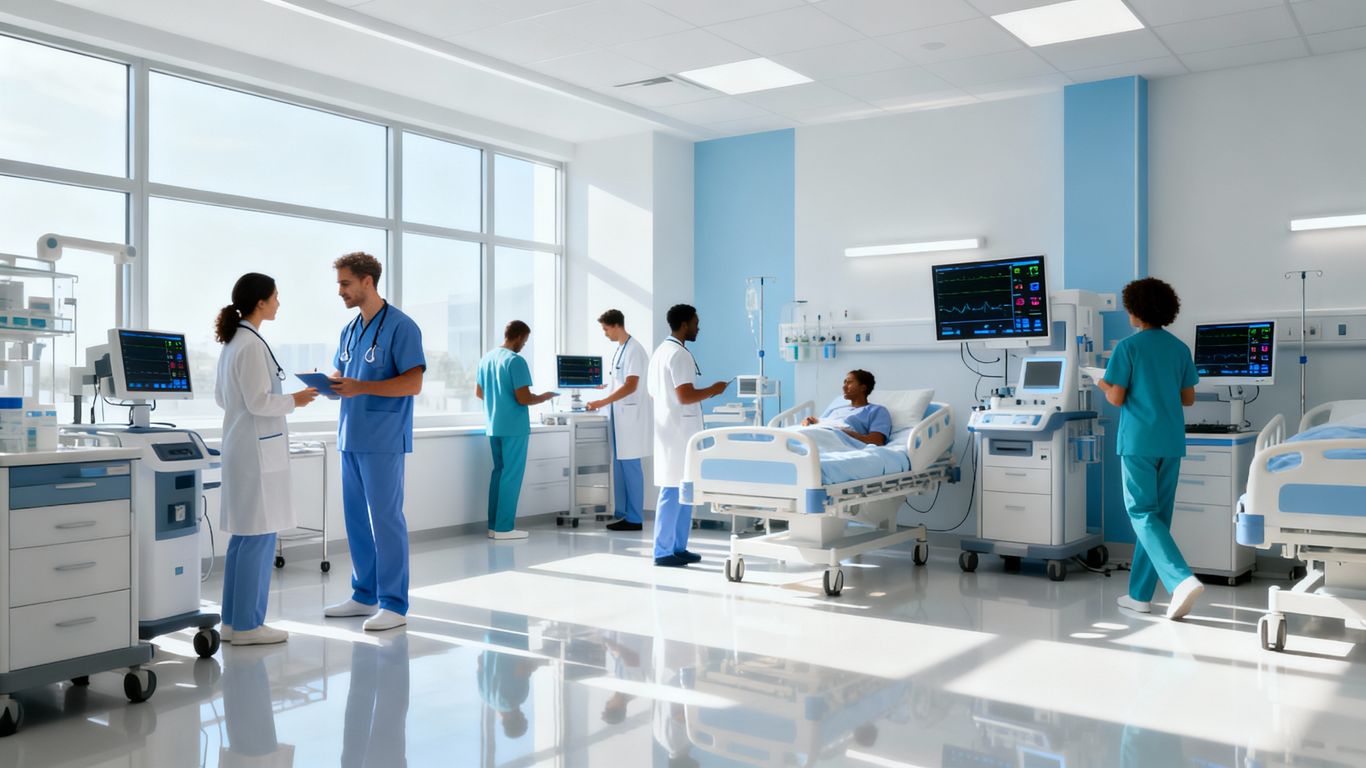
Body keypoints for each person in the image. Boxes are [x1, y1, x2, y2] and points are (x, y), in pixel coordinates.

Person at [323, 252, 426, 632]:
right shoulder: (349, 330)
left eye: (345, 283)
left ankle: (395, 604)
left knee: (386, 520)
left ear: (367, 281)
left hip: (383, 438)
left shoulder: (402, 326)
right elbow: (344, 373)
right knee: (355, 520)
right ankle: (363, 595)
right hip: (350, 436)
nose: (340, 291)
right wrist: (328, 384)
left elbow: (412, 383)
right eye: (339, 284)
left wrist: (361, 386)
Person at [214, 273, 317, 646]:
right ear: (261, 302)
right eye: (276, 297)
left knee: (244, 537)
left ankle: (231, 623)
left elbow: (224, 399)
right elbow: (259, 401)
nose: (278, 303)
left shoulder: (234, 343)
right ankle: (248, 626)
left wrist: (279, 401)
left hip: (243, 447)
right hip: (256, 453)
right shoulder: (251, 345)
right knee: (259, 536)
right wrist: (296, 400)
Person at [1095, 277, 1203, 620]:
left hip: (1139, 441)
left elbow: (1116, 397)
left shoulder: (1128, 348)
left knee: (1141, 514)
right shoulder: (1179, 348)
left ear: (1136, 311)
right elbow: (1188, 398)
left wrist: (1098, 379)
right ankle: (1139, 595)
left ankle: (1181, 580)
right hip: (1170, 442)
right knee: (1156, 519)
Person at [648, 304, 728, 567]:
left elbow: (657, 393)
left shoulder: (662, 351)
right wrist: (713, 390)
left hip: (671, 429)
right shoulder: (679, 355)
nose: (698, 327)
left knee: (684, 491)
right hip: (678, 433)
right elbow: (684, 396)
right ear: (684, 324)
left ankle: (678, 547)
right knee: (673, 490)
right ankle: (662, 551)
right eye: (695, 322)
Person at [476, 321, 557, 540]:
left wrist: (498, 402)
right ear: (519, 336)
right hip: (514, 427)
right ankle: (504, 529)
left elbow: (479, 393)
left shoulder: (486, 359)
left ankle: (494, 526)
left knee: (499, 474)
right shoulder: (515, 361)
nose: (524, 345)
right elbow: (523, 398)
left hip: (494, 425)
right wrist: (545, 397)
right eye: (525, 341)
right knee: (511, 476)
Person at [586, 309, 652, 532]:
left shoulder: (635, 350)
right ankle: (623, 513)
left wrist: (602, 401)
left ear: (616, 325)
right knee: (620, 466)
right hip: (619, 417)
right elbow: (620, 382)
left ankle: (635, 519)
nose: (604, 333)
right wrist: (606, 389)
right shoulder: (620, 350)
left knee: (631, 466)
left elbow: (632, 385)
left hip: (630, 418)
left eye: (605, 329)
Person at [800, 369, 893, 446]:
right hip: (817, 435)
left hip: (837, 440)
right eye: (844, 382)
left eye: (849, 383)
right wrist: (810, 421)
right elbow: (821, 423)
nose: (844, 387)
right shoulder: (836, 409)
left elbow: (877, 441)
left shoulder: (877, 411)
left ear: (863, 388)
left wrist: (843, 432)